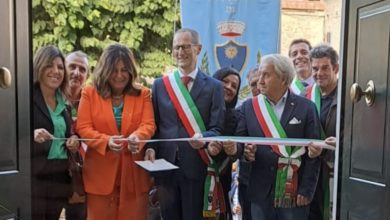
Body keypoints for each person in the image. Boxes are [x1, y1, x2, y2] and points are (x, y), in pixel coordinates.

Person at [144, 28, 225, 220]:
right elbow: (153, 125)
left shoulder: (215, 87)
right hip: (165, 167)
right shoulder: (160, 85)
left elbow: (217, 129)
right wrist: (150, 147)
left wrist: (203, 138)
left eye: (185, 47)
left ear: (198, 49)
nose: (180, 52)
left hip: (196, 166)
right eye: (176, 47)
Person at [236, 54, 321, 220]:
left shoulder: (306, 108)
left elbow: (314, 154)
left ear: (283, 78)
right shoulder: (248, 107)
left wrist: (306, 190)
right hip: (260, 193)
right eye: (260, 74)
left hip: (294, 194)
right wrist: (246, 153)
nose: (260, 80)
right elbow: (240, 145)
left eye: (266, 75)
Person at [76, 43, 156, 220]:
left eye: (124, 70)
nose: (119, 75)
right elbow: (83, 127)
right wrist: (106, 142)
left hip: (135, 178)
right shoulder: (89, 93)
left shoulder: (143, 94)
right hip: (99, 179)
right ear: (105, 70)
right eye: (114, 70)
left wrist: (138, 137)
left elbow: (148, 125)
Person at [32, 45, 80, 220]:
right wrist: (32, 134)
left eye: (60, 67)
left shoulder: (64, 103)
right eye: (49, 66)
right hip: (35, 177)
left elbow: (69, 135)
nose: (56, 71)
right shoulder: (25, 98)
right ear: (39, 67)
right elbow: (11, 133)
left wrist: (74, 140)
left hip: (60, 177)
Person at [306, 44, 339, 220]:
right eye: (315, 68)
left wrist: (341, 143)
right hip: (310, 173)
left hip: (335, 172)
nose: (319, 73)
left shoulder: (349, 98)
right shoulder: (304, 96)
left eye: (325, 68)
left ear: (336, 68)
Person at [209, 66, 241, 220]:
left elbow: (238, 150)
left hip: (221, 181)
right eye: (225, 81)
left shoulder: (237, 117)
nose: (229, 87)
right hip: (193, 178)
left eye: (234, 86)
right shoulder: (200, 110)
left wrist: (233, 151)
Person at [64, 51, 89, 220]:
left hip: (81, 175)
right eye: (72, 67)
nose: (76, 73)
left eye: (82, 69)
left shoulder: (91, 101)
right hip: (52, 172)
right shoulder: (51, 97)